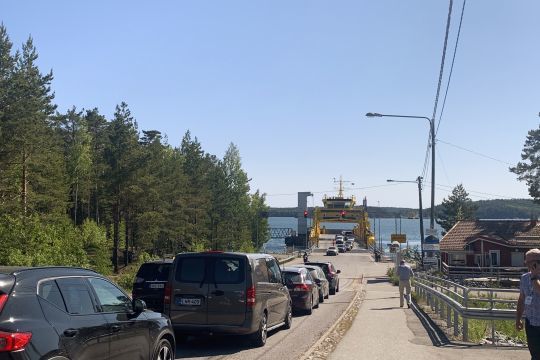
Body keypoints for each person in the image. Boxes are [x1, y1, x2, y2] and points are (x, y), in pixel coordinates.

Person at [516, 248, 540, 359]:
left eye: (532, 262)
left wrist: (535, 277)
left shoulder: (533, 277)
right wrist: (518, 318)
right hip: (531, 322)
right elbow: (521, 299)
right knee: (534, 354)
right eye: (527, 262)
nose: (529, 265)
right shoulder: (524, 278)